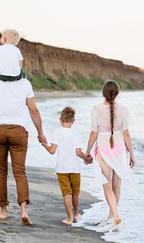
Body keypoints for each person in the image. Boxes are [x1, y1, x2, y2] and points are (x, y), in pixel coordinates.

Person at [0, 76, 46, 225]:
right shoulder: (26, 83)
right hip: (19, 131)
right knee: (20, 171)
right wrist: (40, 133)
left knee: (0, 171)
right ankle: (23, 211)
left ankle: (3, 211)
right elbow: (34, 111)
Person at [84, 80, 137, 232]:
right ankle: (112, 216)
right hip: (119, 148)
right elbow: (126, 134)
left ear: (104, 93)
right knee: (116, 184)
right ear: (117, 93)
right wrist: (132, 155)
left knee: (106, 183)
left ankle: (115, 215)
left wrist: (87, 151)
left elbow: (94, 132)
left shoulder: (96, 109)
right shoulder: (124, 110)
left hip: (104, 147)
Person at [41, 106, 91, 226]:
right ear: (73, 121)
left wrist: (44, 145)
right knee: (76, 192)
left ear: (60, 119)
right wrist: (86, 159)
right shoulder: (76, 133)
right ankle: (76, 214)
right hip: (75, 168)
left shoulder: (56, 132)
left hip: (61, 168)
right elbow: (78, 152)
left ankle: (68, 218)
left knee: (66, 193)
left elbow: (52, 151)